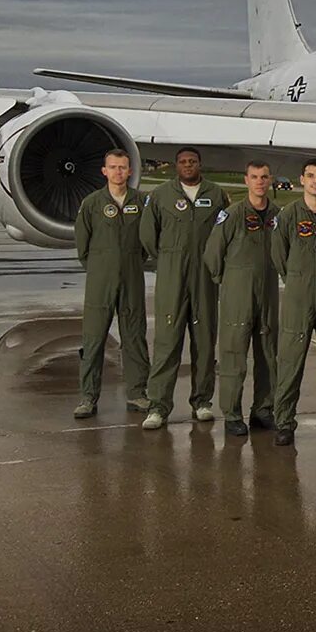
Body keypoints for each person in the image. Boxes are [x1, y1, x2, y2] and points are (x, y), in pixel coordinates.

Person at [139, 147, 225, 427]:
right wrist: (170, 258)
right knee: (167, 342)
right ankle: (158, 406)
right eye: (183, 162)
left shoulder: (216, 195)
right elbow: (148, 236)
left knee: (204, 342)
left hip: (205, 278)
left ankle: (202, 401)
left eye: (193, 161)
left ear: (200, 164)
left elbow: (225, 234)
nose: (188, 166)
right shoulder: (161, 196)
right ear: (175, 165)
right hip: (172, 278)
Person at [269, 158, 316, 446]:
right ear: (302, 179)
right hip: (298, 298)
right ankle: (284, 421)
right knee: (290, 361)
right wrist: (298, 279)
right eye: (311, 176)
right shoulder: (289, 215)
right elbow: (279, 255)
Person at [203, 161, 281, 436]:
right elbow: (213, 253)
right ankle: (233, 414)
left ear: (270, 180)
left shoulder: (277, 215)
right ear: (246, 180)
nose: (260, 181)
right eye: (254, 177)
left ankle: (263, 410)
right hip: (238, 291)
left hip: (269, 291)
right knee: (234, 354)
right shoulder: (232, 214)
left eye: (264, 177)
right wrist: (226, 281)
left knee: (268, 353)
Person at [71, 148, 150, 420]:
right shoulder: (92, 203)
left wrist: (130, 261)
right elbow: (82, 246)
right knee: (93, 340)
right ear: (104, 171)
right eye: (113, 167)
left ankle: (138, 393)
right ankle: (88, 397)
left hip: (132, 276)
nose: (118, 172)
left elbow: (147, 242)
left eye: (123, 167)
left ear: (130, 171)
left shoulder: (141, 202)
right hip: (100, 280)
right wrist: (99, 267)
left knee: (135, 337)